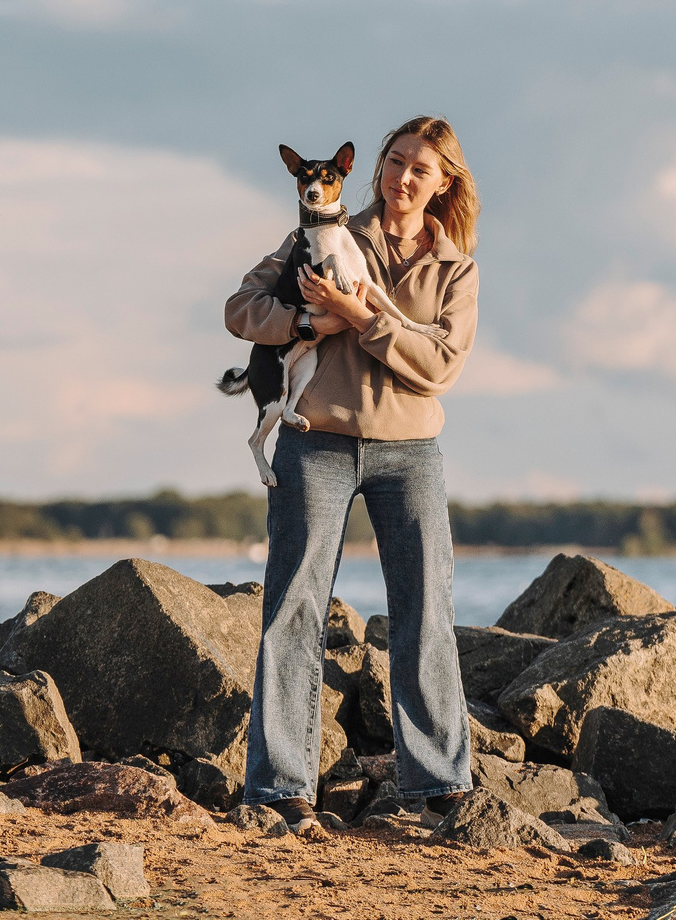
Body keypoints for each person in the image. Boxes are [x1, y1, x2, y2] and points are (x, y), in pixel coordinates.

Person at [222, 114, 481, 821]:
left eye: (419, 169)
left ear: (443, 182)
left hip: (411, 453)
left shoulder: (455, 268)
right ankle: (280, 791)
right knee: (292, 612)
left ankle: (437, 787)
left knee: (426, 613)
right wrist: (308, 324)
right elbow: (241, 309)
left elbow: (440, 367)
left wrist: (361, 316)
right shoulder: (322, 233)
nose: (401, 177)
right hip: (318, 444)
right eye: (394, 161)